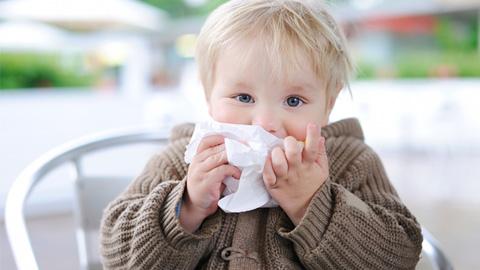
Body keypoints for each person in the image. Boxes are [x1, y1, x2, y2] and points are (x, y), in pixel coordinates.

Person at [100, 0, 423, 269]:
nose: (264, 123)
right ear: (209, 96)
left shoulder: (351, 161)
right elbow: (118, 255)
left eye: (293, 101)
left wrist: (312, 203)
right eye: (243, 98)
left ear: (329, 104)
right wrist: (186, 208)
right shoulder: (181, 160)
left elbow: (399, 257)